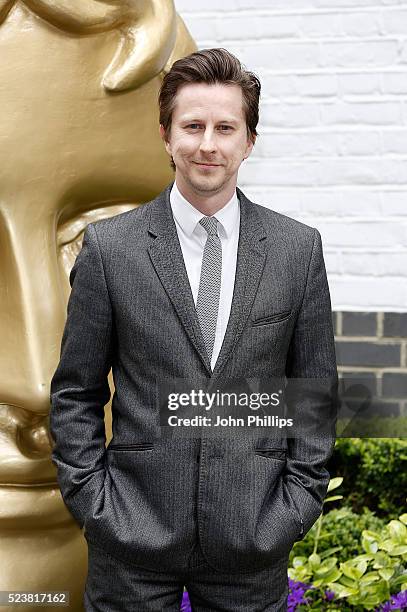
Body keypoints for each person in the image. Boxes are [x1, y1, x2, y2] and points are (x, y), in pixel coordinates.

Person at [50, 48, 337, 612]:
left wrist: (293, 506)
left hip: (252, 539)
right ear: (166, 135)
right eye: (193, 126)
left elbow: (313, 396)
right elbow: (76, 391)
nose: (209, 143)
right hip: (132, 537)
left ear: (248, 141)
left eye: (225, 127)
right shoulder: (111, 249)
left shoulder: (296, 251)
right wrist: (95, 503)